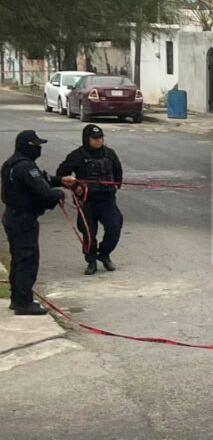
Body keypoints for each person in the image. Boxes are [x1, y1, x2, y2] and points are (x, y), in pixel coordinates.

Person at [2, 131, 74, 315]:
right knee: (27, 260)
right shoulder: (26, 168)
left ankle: (18, 298)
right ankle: (23, 303)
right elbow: (44, 192)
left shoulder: (11, 163)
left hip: (13, 217)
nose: (39, 148)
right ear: (27, 146)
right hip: (23, 219)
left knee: (18, 259)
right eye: (36, 145)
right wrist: (59, 194)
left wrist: (59, 181)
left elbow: (42, 179)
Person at [57, 125, 123, 275]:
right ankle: (91, 260)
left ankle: (104, 254)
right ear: (87, 139)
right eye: (94, 139)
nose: (98, 141)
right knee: (88, 232)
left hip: (107, 200)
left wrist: (117, 184)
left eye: (100, 138)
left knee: (115, 226)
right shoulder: (77, 155)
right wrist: (75, 187)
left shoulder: (110, 154)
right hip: (87, 201)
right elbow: (62, 174)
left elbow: (118, 170)